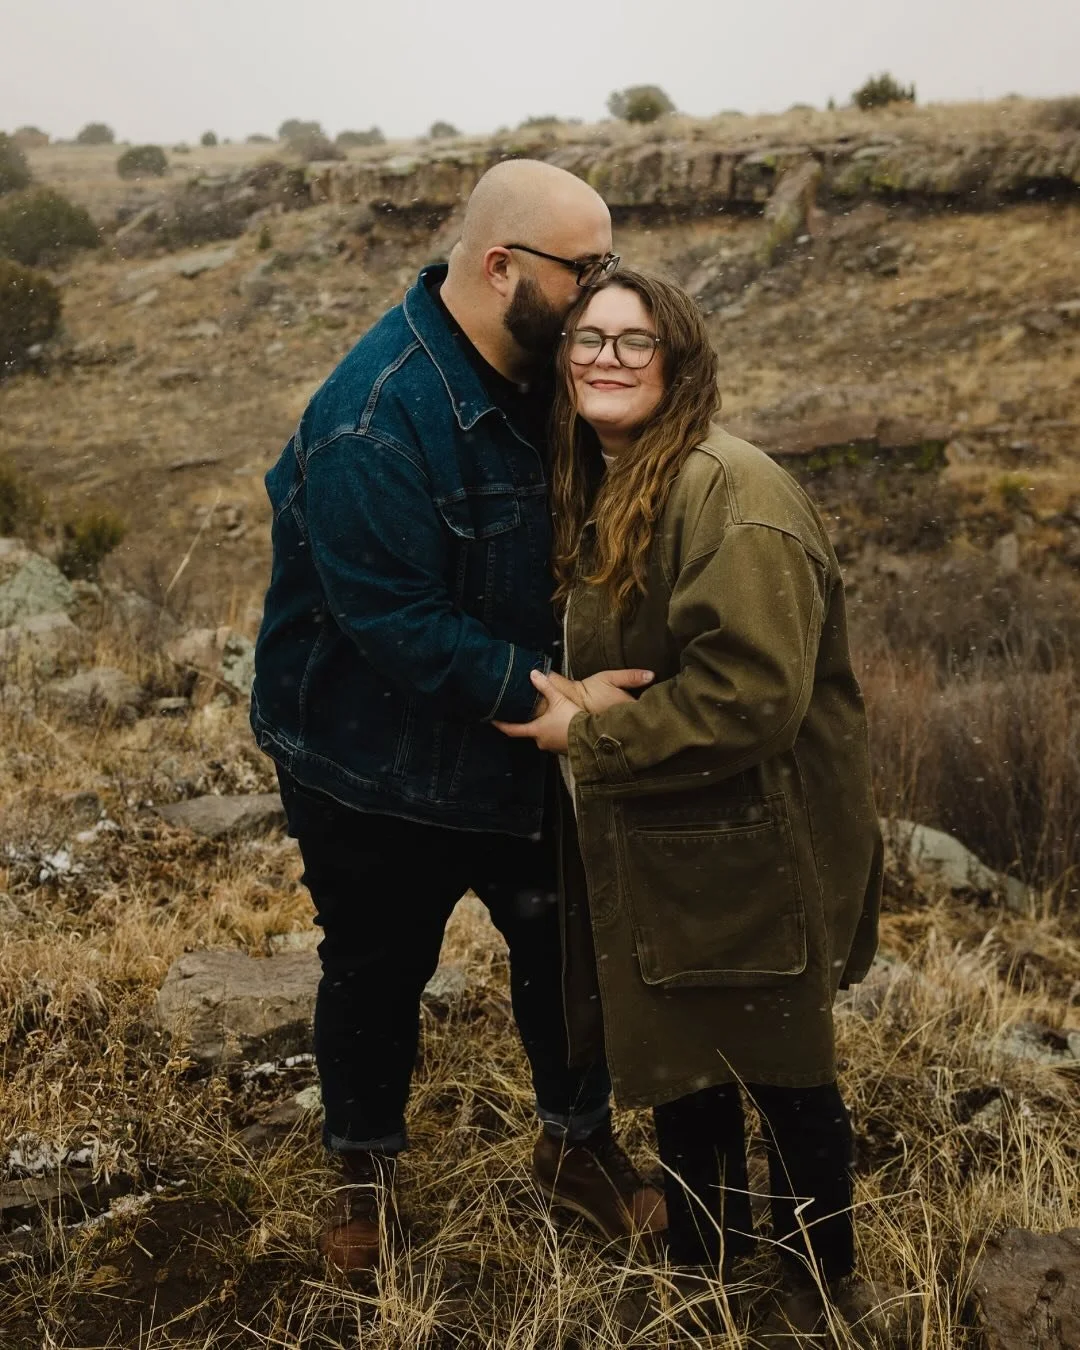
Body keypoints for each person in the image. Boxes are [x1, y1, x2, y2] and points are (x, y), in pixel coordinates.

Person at [250, 161, 667, 1273]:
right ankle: (363, 1174)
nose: (602, 295)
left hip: (517, 740)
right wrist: (559, 699)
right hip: (367, 756)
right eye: (588, 271)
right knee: (376, 966)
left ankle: (576, 1148)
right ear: (501, 268)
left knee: (559, 941)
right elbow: (396, 621)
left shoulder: (544, 369)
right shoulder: (373, 421)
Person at [496, 269, 885, 1334]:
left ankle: (817, 1294)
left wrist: (595, 732)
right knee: (686, 1067)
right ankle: (709, 1283)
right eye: (588, 338)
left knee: (785, 1077)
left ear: (680, 361)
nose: (603, 359)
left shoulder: (732, 493)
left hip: (758, 850)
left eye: (634, 342)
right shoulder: (616, 479)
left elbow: (755, 694)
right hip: (681, 849)